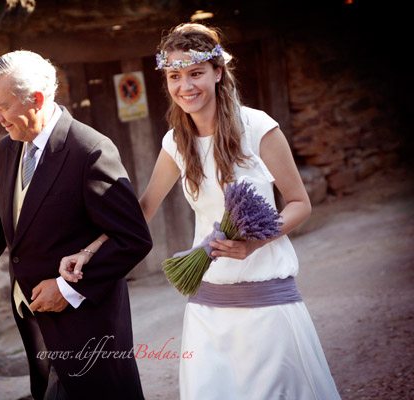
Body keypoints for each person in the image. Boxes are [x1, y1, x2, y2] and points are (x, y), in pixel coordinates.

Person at [60, 23, 341, 399]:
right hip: (208, 305)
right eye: (175, 76)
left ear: (218, 73)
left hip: (266, 303)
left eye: (195, 73)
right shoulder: (176, 142)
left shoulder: (258, 127)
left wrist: (254, 243)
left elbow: (299, 204)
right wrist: (89, 251)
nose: (185, 86)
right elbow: (141, 209)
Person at [0, 50, 152, 400]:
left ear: (35, 99)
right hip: (33, 323)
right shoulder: (6, 151)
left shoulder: (90, 150)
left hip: (88, 328)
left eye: (1, 107)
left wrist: (67, 289)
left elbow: (134, 238)